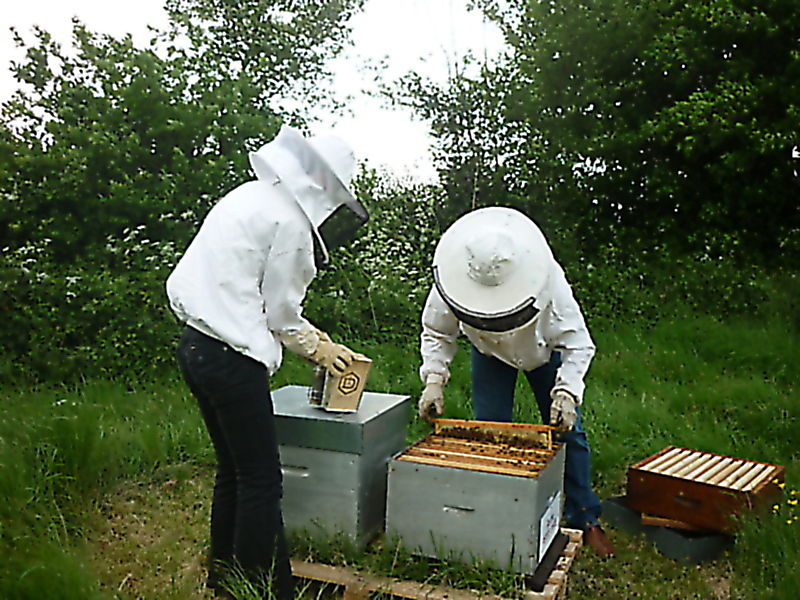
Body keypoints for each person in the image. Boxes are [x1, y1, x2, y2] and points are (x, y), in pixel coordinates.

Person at [166, 125, 369, 598]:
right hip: (232, 359)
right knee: (261, 480)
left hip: (195, 345)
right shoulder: (292, 227)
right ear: (324, 188)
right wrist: (320, 347)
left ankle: (225, 579)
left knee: (233, 470)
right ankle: (264, 590)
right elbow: (280, 313)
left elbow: (252, 295)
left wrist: (312, 339)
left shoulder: (247, 196)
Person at [417, 206, 615, 558]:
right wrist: (434, 379)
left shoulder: (551, 284)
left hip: (543, 353)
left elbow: (579, 343)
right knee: (490, 429)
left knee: (570, 433)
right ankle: (491, 510)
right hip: (489, 353)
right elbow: (436, 330)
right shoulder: (450, 281)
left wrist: (567, 391)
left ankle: (585, 516)